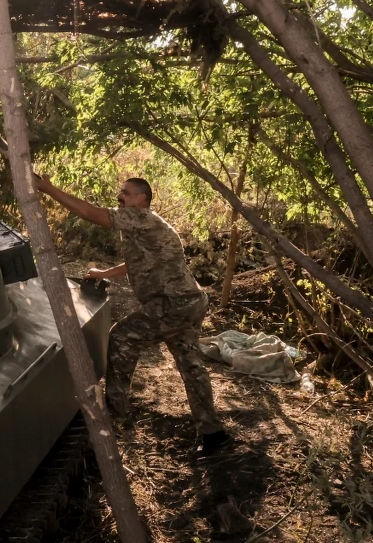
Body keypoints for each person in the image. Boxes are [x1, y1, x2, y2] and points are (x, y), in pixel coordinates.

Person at [33, 174, 231, 455]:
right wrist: (104, 273)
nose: (119, 197)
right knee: (190, 364)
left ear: (141, 199)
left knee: (122, 337)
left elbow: (89, 213)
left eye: (125, 193)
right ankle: (213, 433)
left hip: (173, 303)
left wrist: (47, 188)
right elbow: (138, 260)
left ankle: (112, 420)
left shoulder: (142, 217)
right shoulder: (145, 227)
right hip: (188, 303)